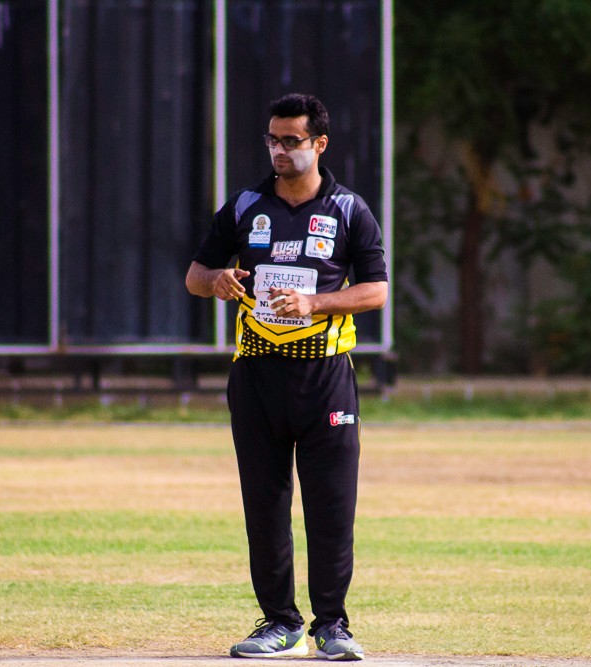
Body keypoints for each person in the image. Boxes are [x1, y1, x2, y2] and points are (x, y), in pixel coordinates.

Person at [186, 94, 388, 661]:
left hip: (325, 378)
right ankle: (279, 623)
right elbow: (196, 275)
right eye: (272, 139)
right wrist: (217, 281)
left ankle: (332, 626)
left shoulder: (348, 209)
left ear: (319, 144)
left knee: (331, 507)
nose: (279, 150)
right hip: (256, 376)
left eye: (291, 140)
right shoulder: (246, 205)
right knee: (265, 506)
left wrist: (315, 303)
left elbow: (376, 290)